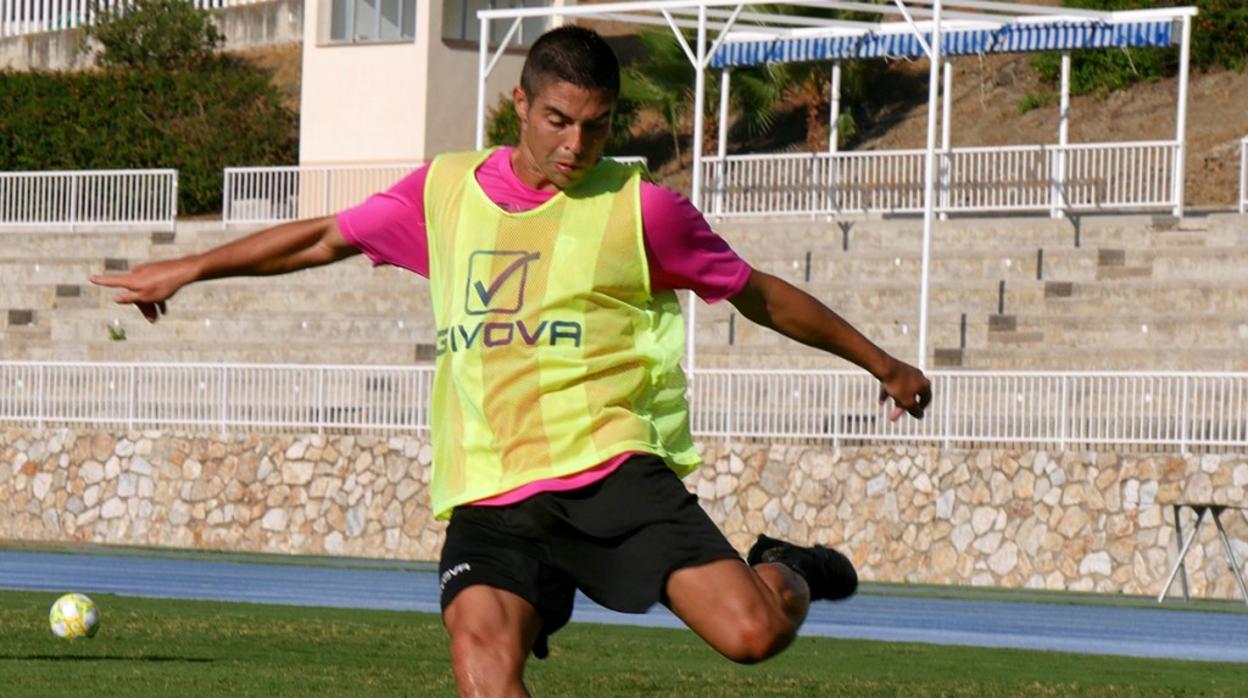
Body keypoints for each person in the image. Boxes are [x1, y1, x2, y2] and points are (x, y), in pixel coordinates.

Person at [93, 25, 932, 697]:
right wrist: (191, 267)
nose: (576, 144)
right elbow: (322, 237)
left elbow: (758, 292)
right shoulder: (442, 192)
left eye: (597, 125)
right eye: (558, 121)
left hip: (610, 472)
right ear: (520, 106)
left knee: (752, 637)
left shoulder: (644, 213)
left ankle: (786, 568)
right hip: (493, 490)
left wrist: (883, 363)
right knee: (483, 666)